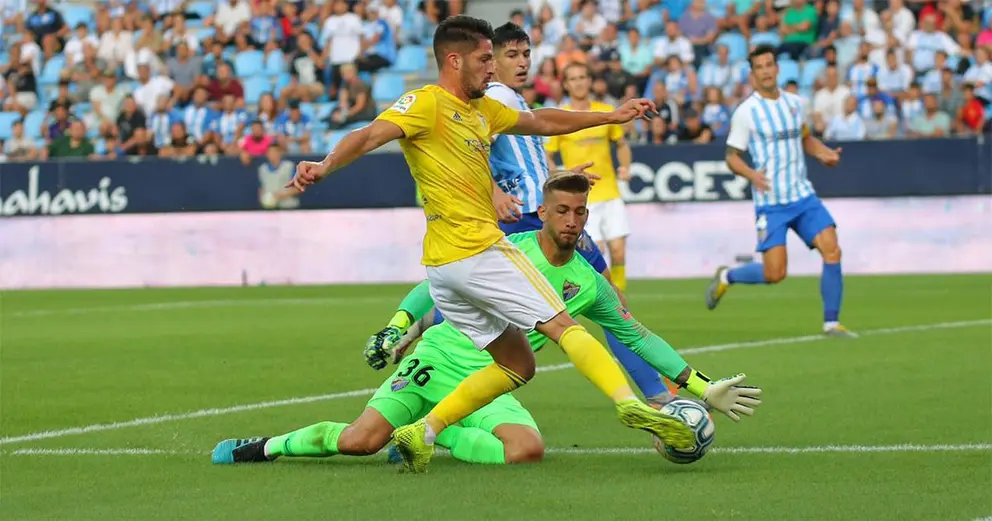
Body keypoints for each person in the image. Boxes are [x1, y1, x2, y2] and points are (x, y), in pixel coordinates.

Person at [285, 16, 697, 474]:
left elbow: (542, 121)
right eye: (485, 58)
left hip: (445, 266)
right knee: (564, 325)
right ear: (454, 60)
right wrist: (325, 165)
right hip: (475, 249)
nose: (492, 67)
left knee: (518, 362)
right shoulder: (425, 103)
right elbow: (367, 135)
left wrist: (609, 115)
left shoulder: (483, 109)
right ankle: (629, 403)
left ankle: (425, 428)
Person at [211, 173, 762, 466]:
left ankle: (435, 433)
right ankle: (265, 446)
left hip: (496, 377)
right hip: (440, 356)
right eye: (561, 211)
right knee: (359, 442)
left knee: (527, 450)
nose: (571, 221)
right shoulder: (506, 249)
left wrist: (699, 385)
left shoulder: (590, 285)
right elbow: (435, 284)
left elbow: (638, 336)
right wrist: (401, 325)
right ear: (543, 212)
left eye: (579, 213)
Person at [368, 22, 679, 409]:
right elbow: (470, 151)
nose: (522, 62)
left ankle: (414, 332)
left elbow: (530, 147)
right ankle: (656, 396)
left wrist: (560, 178)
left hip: (541, 208)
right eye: (510, 55)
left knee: (576, 302)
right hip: (529, 217)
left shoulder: (511, 99)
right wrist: (495, 192)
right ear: (489, 61)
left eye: (527, 54)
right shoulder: (493, 97)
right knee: (602, 303)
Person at [707, 45, 856, 338]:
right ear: (752, 75)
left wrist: (823, 153)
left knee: (832, 249)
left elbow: (805, 138)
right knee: (775, 273)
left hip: (802, 197)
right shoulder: (746, 112)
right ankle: (728, 275)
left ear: (777, 69)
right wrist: (752, 175)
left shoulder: (795, 103)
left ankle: (832, 323)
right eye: (759, 67)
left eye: (769, 65)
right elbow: (732, 157)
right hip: (771, 203)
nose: (765, 71)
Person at [545, 62, 632, 294]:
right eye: (573, 79)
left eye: (583, 77)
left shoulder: (605, 111)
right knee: (596, 252)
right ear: (566, 84)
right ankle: (593, 298)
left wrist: (625, 166)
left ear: (590, 81)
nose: (579, 83)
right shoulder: (561, 115)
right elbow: (548, 155)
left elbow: (622, 144)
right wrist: (559, 176)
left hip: (610, 191)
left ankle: (618, 299)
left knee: (619, 252)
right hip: (581, 198)